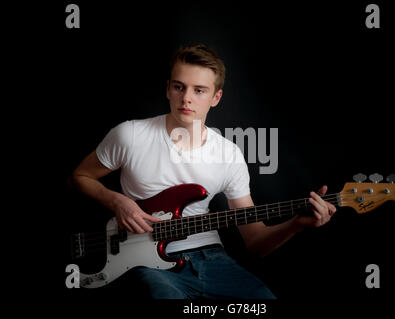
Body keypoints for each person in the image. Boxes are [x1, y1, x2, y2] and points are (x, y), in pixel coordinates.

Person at [71, 44, 337, 299]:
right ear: (168, 89)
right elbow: (80, 176)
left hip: (212, 258)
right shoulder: (129, 135)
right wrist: (118, 201)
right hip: (144, 261)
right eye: (179, 87)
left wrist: (295, 225)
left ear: (216, 97)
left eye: (199, 90)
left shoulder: (229, 154)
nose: (186, 98)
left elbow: (255, 242)